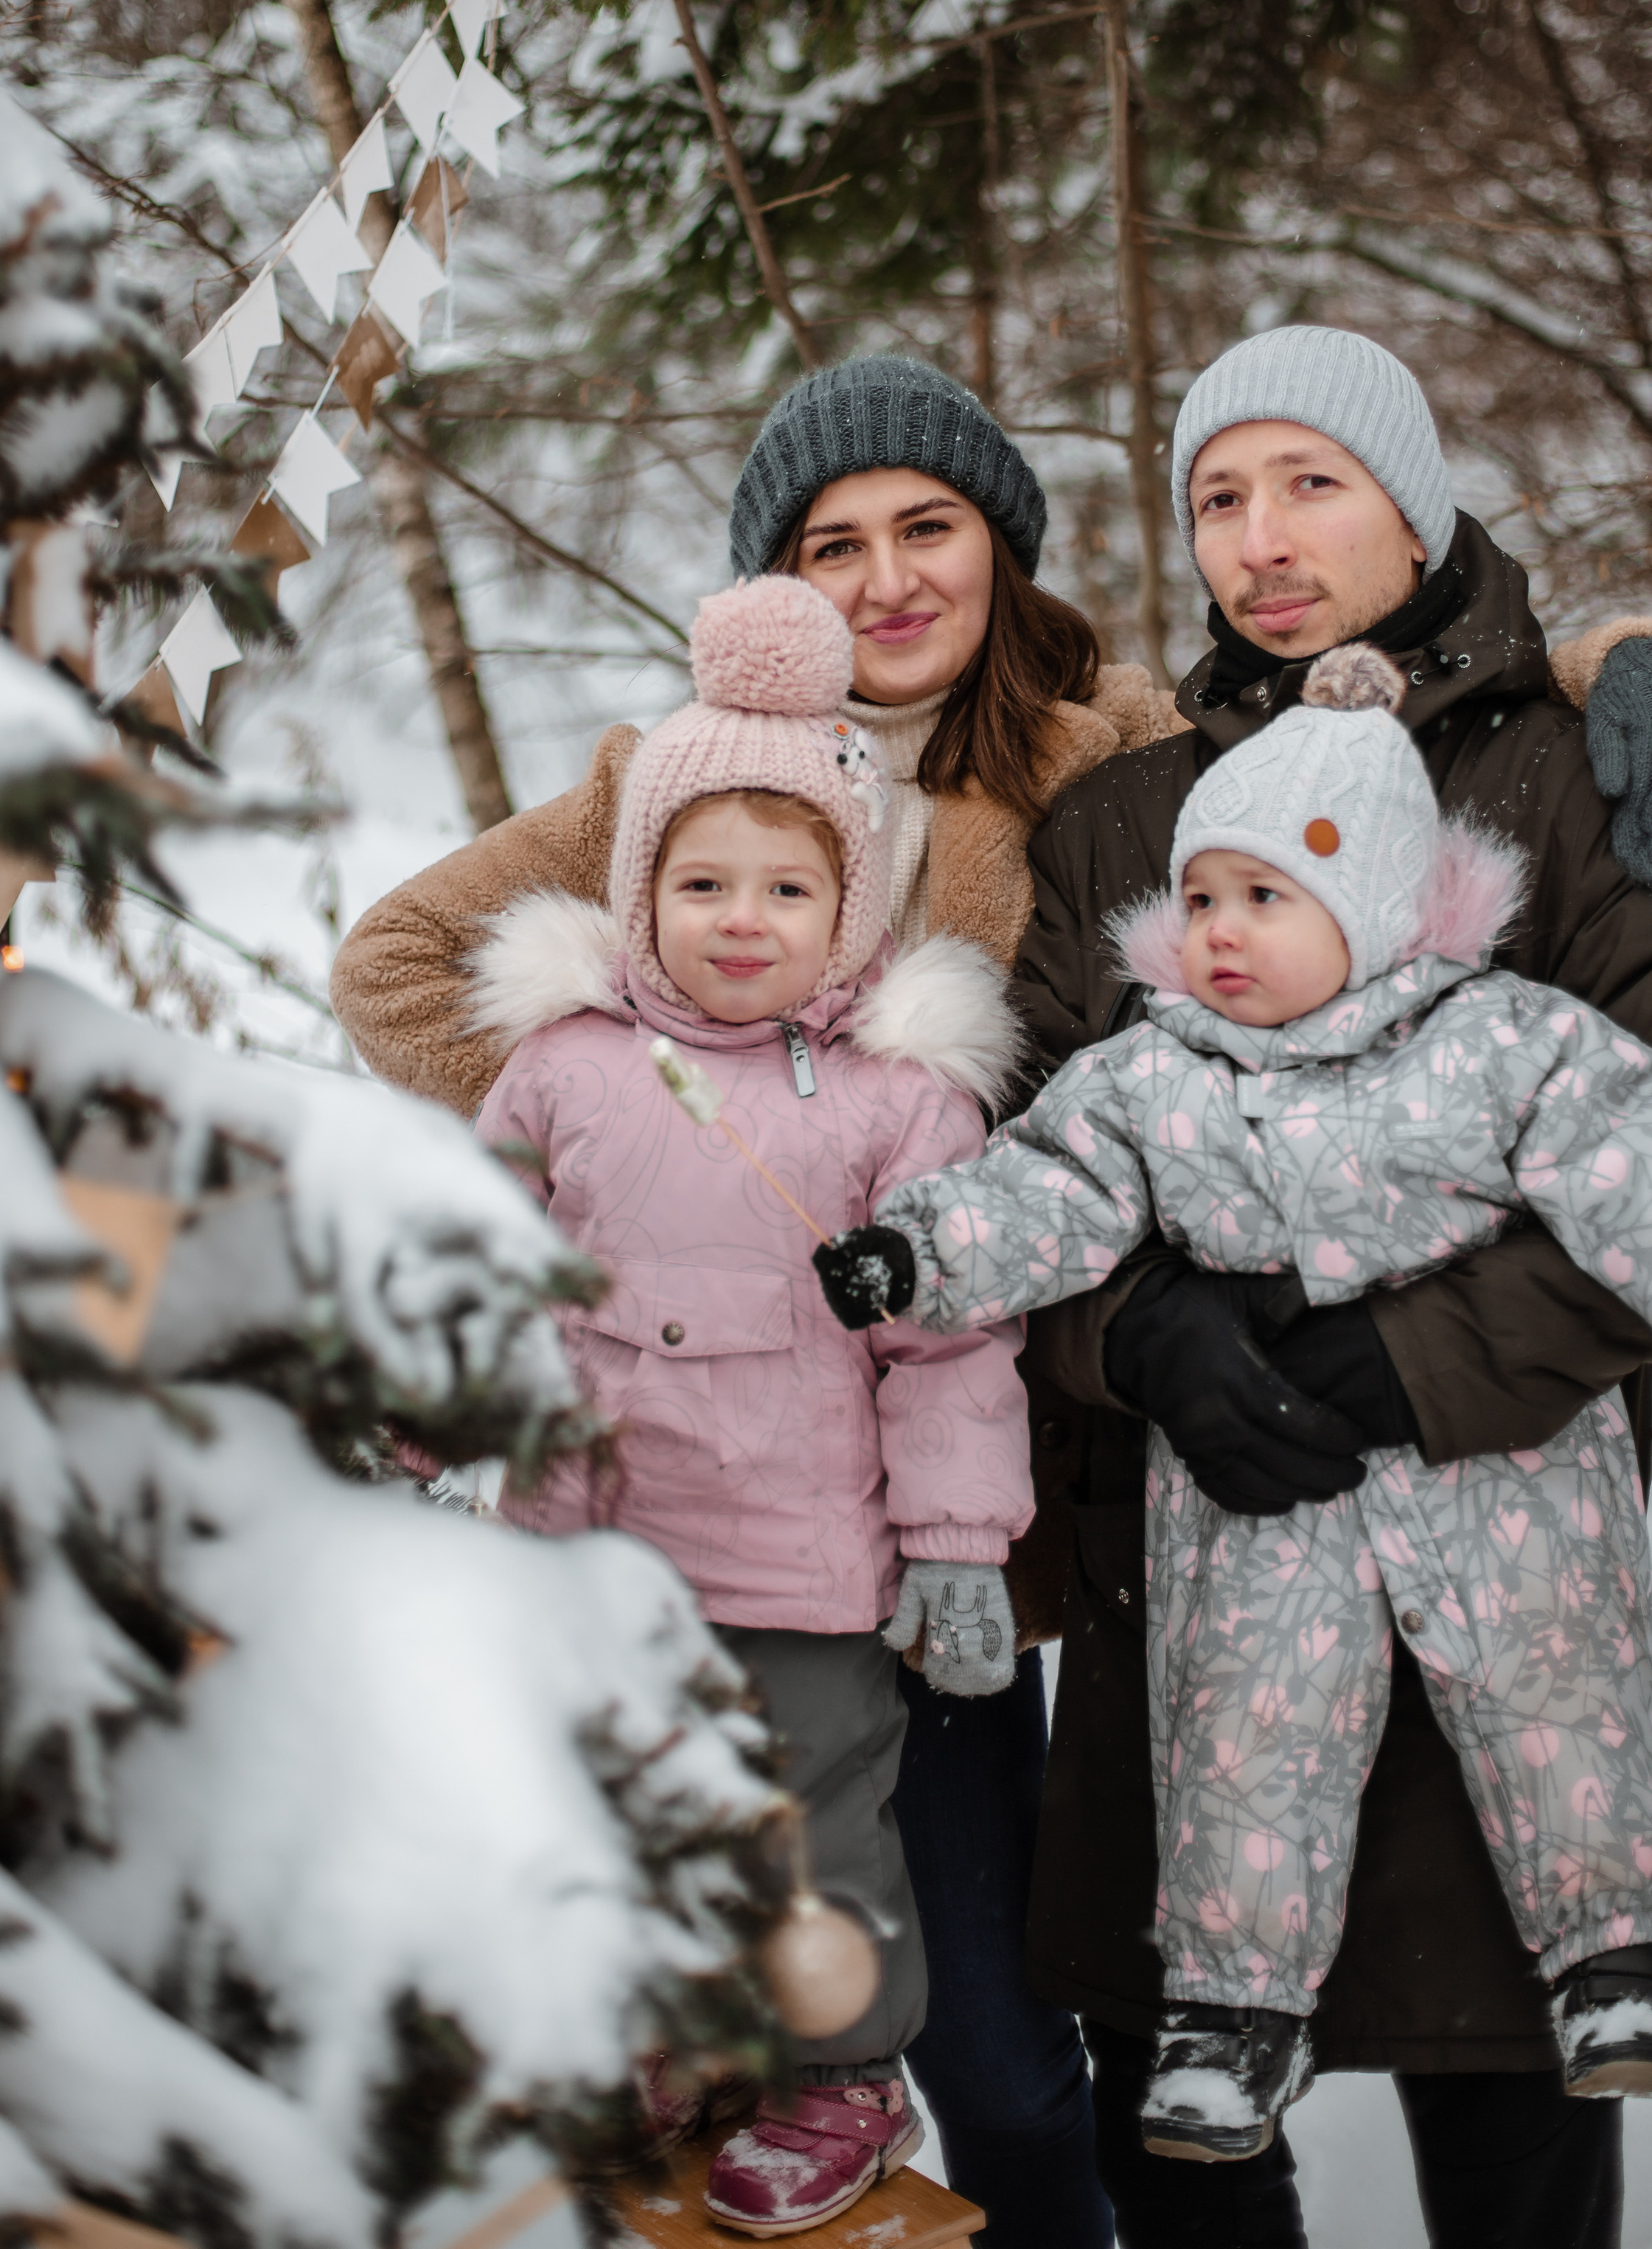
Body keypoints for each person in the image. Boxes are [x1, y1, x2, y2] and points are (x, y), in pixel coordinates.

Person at [329, 345, 1652, 2248]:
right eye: (832, 542)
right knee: (1068, 2034)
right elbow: (414, 971)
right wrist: (672, 1100)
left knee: (1239, 2055)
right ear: (773, 585)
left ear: (1008, 553)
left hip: (1095, 1485)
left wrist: (1628, 667)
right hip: (826, 1469)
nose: (888, 576)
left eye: (933, 527)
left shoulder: (1105, 755)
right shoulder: (688, 790)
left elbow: (1394, 718)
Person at [1006, 325, 1652, 2249]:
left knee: (1512, 2123)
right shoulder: (1126, 831)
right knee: (1182, 2137)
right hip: (1186, 1564)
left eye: (1314, 483)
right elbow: (1018, 1157)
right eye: (1219, 495)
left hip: (1498, 1541)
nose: (1262, 538)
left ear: (1415, 498)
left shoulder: (1591, 780)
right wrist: (1133, 1334)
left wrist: (1411, 1355)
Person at [813, 639, 1652, 2165]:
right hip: (1255, 1491)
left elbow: (1634, 1153)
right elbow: (1044, 1192)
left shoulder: (1497, 1041)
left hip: (1500, 1479)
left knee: (1558, 1701)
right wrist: (914, 1252)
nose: (1216, 933)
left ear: (1371, 909)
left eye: (1262, 900)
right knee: (1240, 1737)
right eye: (1201, 897)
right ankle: (1229, 2011)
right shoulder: (1153, 1075)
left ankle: (1617, 1957)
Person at [473, 569, 1033, 2235]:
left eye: (787, 885)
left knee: (806, 1830)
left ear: (851, 907)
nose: (739, 916)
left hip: (800, 1559)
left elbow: (949, 1344)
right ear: (640, 890)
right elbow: (478, 1269)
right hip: (595, 1548)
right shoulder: (564, 1067)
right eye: (701, 879)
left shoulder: (896, 1103)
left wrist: (952, 1545)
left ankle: (838, 2073)